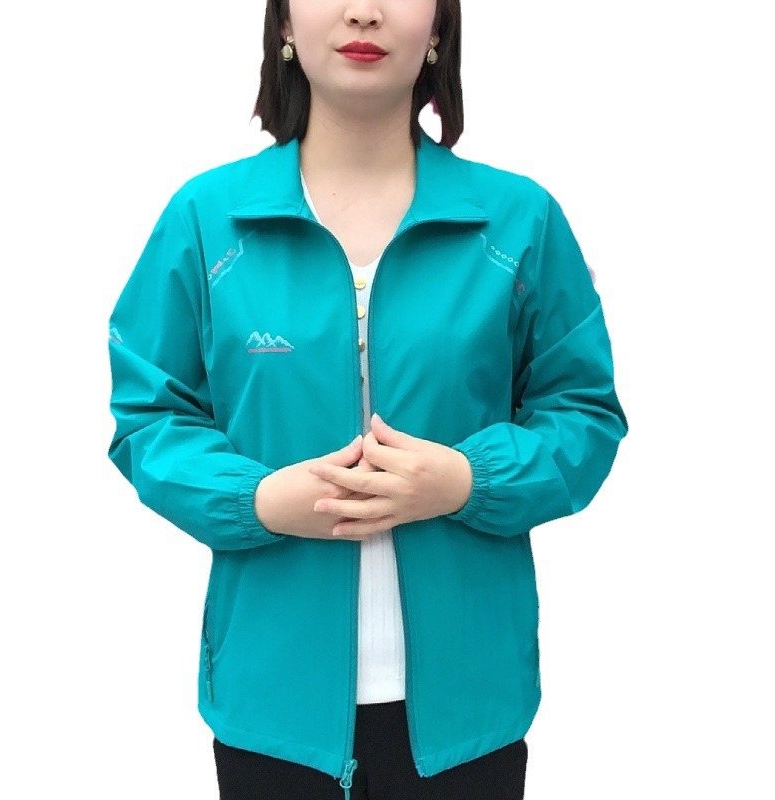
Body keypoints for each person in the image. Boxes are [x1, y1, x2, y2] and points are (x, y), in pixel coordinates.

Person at [106, 0, 629, 798]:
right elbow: (150, 415)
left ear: (439, 28)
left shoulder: (519, 221)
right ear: (284, 24)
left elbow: (583, 412)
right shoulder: (208, 220)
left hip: (468, 713)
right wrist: (255, 499)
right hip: (271, 706)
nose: (363, 11)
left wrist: (469, 480)